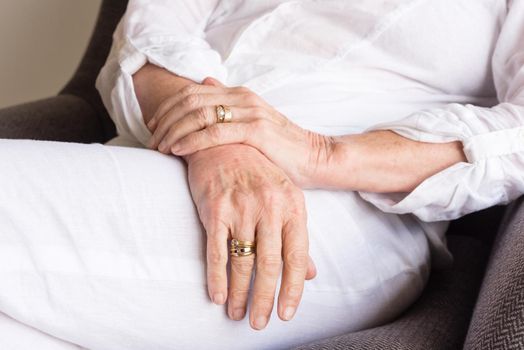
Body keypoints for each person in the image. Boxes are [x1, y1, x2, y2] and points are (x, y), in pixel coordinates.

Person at [0, 0, 523, 349]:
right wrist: (224, 142)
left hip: (332, 213)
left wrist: (319, 153)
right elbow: (144, 36)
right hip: (156, 150)